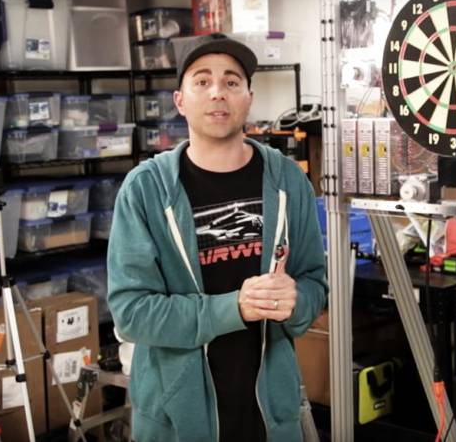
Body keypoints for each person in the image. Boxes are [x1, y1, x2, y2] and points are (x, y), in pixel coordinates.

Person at [107, 33, 328, 442]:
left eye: (231, 81)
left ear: (249, 98)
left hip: (270, 416)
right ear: (179, 101)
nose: (217, 92)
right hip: (177, 420)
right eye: (202, 81)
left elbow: (315, 283)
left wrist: (296, 302)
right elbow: (131, 312)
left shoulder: (287, 181)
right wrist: (233, 308)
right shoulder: (146, 190)